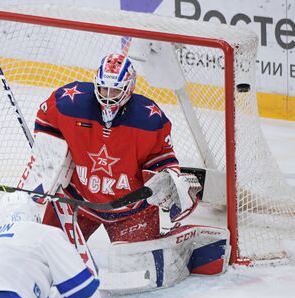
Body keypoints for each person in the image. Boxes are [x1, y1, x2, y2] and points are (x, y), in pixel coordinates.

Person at [20, 52, 201, 245]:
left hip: (131, 209)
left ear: (129, 88)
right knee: (45, 252)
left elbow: (161, 158)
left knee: (138, 268)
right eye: (103, 88)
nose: (107, 96)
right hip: (75, 201)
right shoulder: (70, 104)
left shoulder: (149, 119)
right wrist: (48, 160)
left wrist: (167, 181)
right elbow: (47, 124)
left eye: (115, 91)